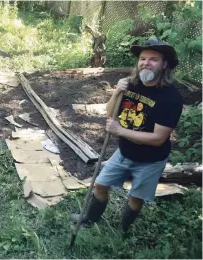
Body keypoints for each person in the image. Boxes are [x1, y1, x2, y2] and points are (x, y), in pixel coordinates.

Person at [71, 36, 183, 232]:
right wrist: (116, 93)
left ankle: (122, 231)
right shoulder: (130, 84)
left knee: (135, 198)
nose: (146, 63)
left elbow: (158, 139)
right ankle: (89, 219)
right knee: (100, 185)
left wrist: (120, 130)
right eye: (142, 58)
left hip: (151, 160)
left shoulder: (171, 97)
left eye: (153, 59)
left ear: (164, 64)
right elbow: (109, 112)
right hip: (124, 152)